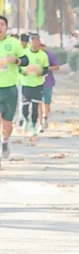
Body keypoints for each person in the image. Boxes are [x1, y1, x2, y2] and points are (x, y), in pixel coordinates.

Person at [0, 14, 23, 160]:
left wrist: (15, 60)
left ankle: (5, 141)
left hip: (9, 89)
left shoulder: (14, 43)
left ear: (6, 27)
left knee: (7, 122)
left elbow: (25, 60)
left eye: (2, 24)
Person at [19, 32, 50, 134]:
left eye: (37, 40)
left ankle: (33, 125)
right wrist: (23, 72)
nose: (35, 42)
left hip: (38, 84)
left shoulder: (43, 55)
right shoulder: (24, 53)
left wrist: (40, 73)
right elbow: (18, 68)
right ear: (30, 42)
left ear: (39, 42)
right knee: (25, 106)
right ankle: (25, 120)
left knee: (36, 106)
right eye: (33, 40)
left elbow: (46, 69)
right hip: (26, 83)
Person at [40, 42, 59, 131]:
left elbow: (56, 66)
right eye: (40, 45)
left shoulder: (50, 55)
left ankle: (45, 117)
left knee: (46, 102)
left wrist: (47, 69)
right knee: (38, 102)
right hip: (36, 83)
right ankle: (40, 121)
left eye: (42, 45)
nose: (41, 47)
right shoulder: (32, 54)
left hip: (48, 82)